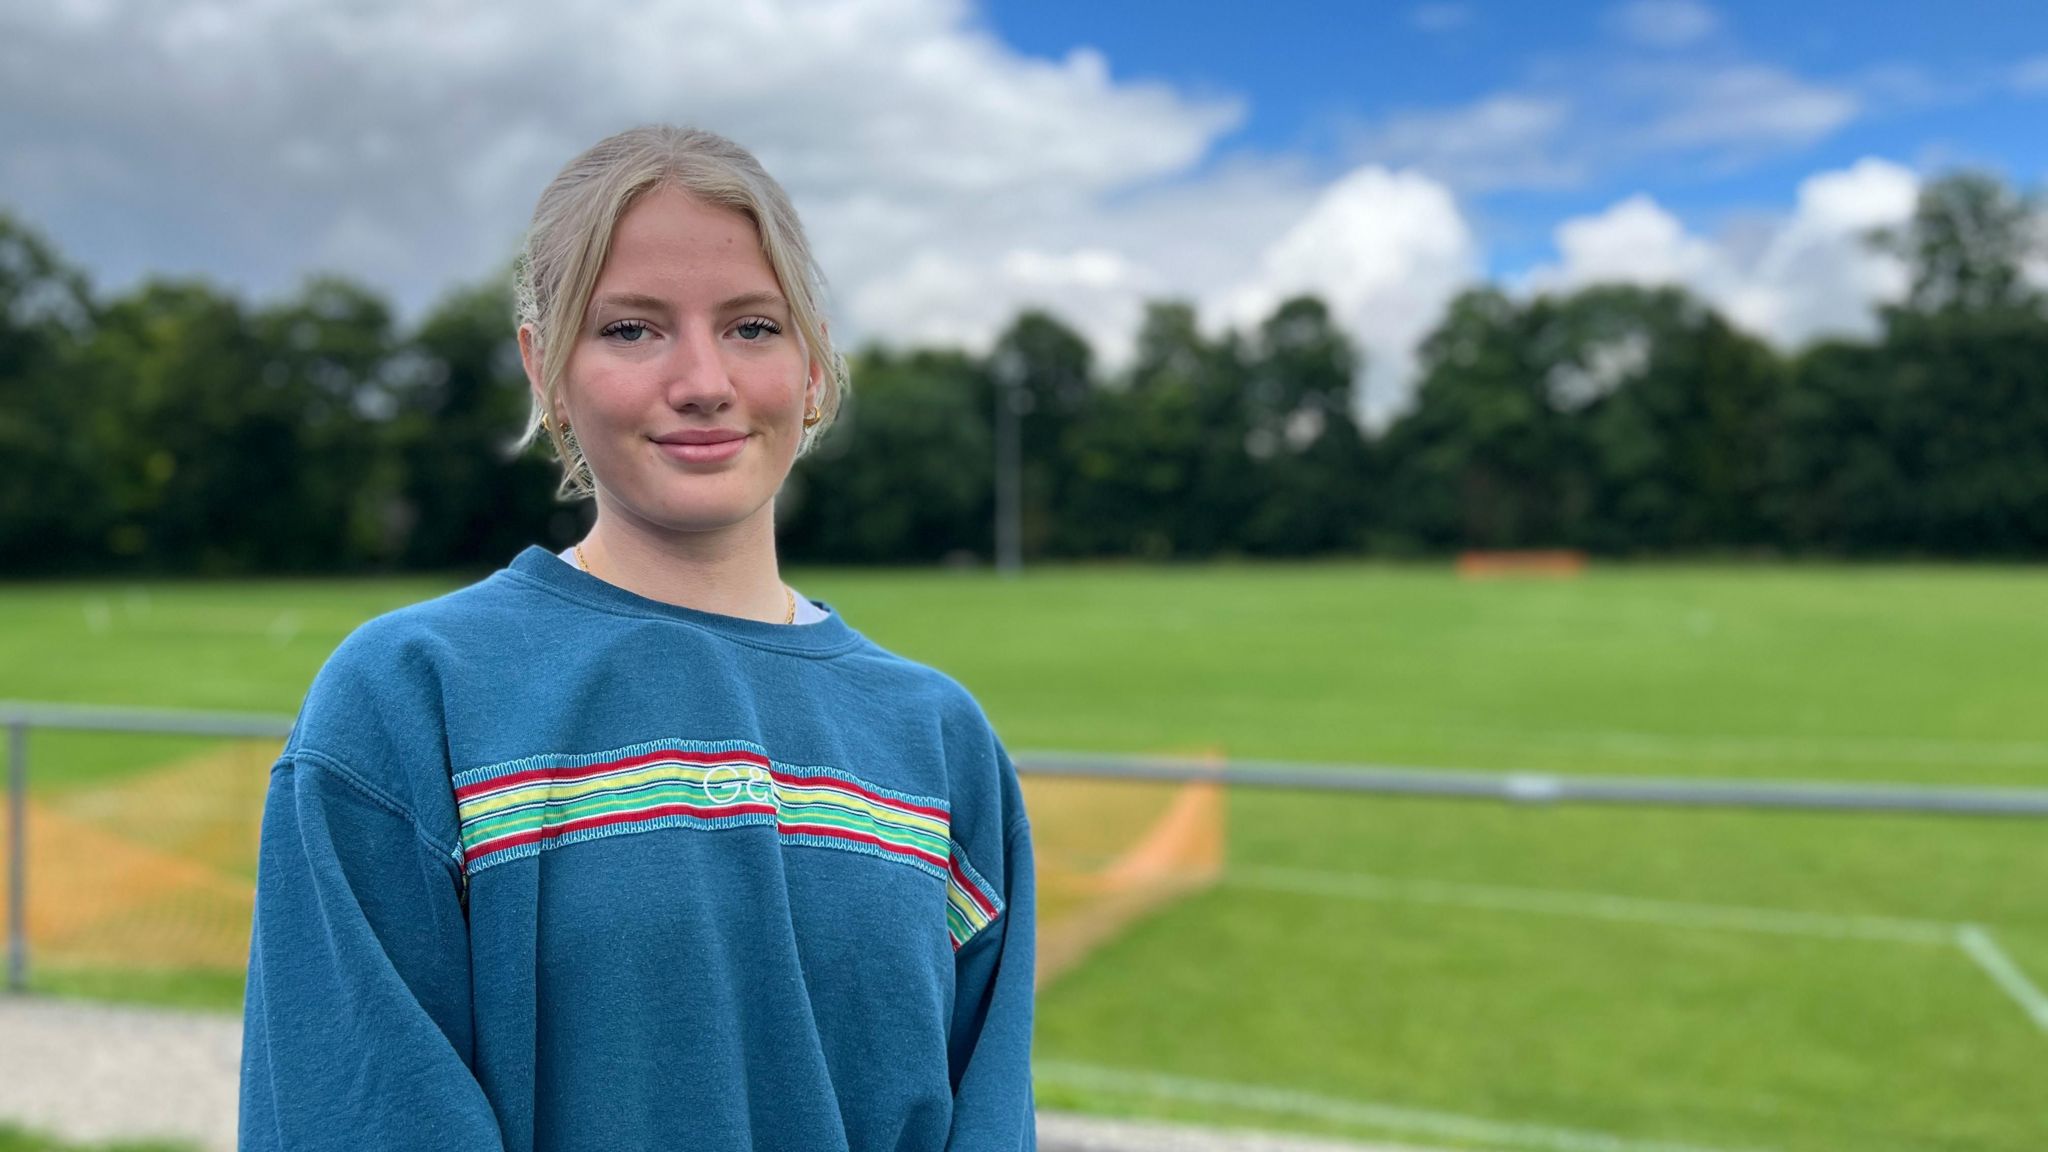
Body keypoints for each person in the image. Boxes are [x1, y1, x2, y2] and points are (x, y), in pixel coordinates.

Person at [238, 125, 1037, 1151]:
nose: (702, 379)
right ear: (545, 368)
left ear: (814, 363)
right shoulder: (408, 699)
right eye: (630, 330)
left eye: (752, 326)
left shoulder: (938, 742)